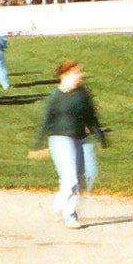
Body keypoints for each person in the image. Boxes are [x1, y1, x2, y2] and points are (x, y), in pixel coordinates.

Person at [31, 61, 106, 229]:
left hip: (81, 138)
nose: (81, 76)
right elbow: (46, 121)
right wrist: (37, 143)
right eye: (76, 73)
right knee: (70, 178)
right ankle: (70, 215)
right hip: (60, 139)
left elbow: (91, 117)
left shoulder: (82, 94)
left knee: (88, 175)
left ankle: (59, 205)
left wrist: (100, 137)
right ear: (64, 75)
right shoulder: (55, 97)